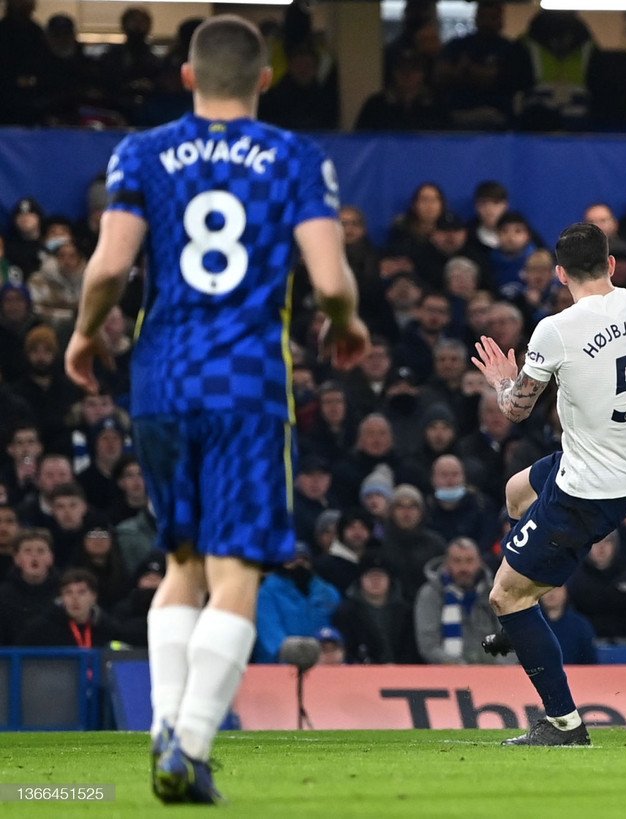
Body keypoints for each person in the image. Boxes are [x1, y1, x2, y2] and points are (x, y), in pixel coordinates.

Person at [62, 16, 370, 804]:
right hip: (245, 381)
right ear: (266, 79)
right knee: (236, 569)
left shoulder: (142, 151)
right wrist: (346, 323)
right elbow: (332, 282)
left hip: (161, 376)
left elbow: (109, 266)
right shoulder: (295, 156)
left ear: (189, 78)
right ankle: (191, 738)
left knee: (183, 565)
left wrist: (84, 335)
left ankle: (169, 732)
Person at [470, 222, 626, 746]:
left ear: (559, 274)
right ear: (612, 265)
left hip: (585, 491)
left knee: (504, 598)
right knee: (517, 490)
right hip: (619, 471)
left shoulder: (556, 329)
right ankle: (526, 604)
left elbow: (516, 410)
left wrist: (497, 382)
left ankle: (564, 724)